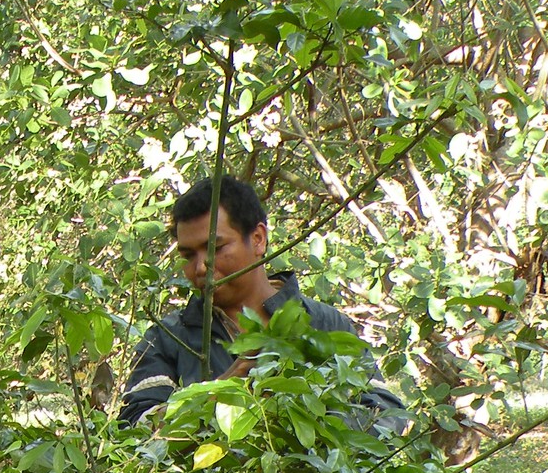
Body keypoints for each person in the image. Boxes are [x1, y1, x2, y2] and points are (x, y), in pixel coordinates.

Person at [119, 176, 406, 428]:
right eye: (188, 256)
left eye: (215, 248)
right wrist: (222, 393)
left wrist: (308, 424)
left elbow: (385, 415)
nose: (200, 268)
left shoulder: (325, 323)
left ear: (257, 239)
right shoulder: (168, 336)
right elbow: (135, 429)